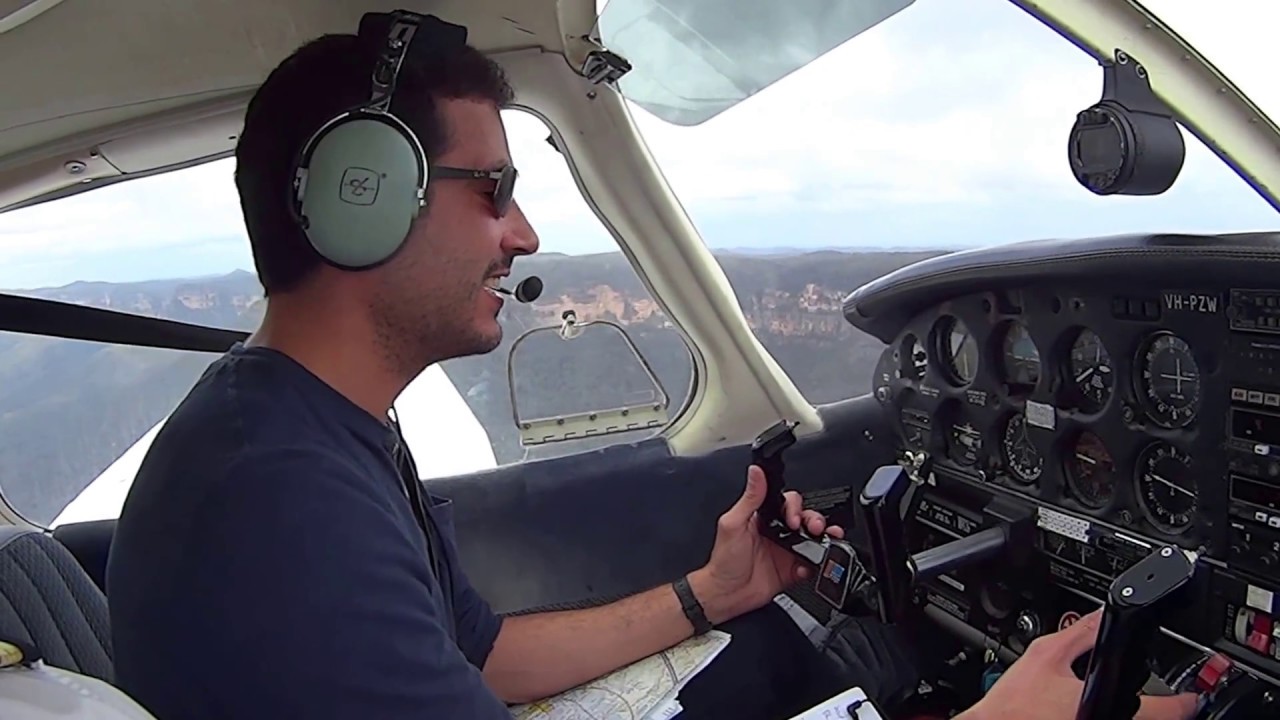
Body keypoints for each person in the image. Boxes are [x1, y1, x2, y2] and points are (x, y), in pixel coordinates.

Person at [104, 11, 1200, 720]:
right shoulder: (276, 503)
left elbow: (474, 661)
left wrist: (706, 592)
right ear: (363, 196)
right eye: (491, 189)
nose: (522, 234)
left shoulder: (307, 431)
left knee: (775, 644)